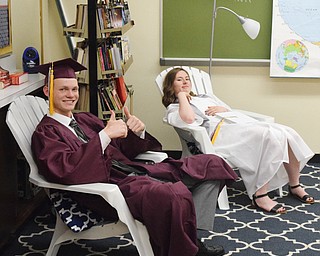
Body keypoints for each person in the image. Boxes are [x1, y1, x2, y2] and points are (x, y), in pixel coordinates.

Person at [31, 58, 238, 256]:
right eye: (63, 89)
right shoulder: (46, 133)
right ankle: (187, 249)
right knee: (171, 195)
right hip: (110, 188)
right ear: (48, 91)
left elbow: (120, 149)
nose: (71, 95)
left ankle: (189, 237)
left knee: (213, 164)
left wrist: (136, 132)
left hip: (134, 170)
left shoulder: (84, 119)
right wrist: (104, 136)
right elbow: (67, 170)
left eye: (74, 89)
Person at [162, 67, 315, 215]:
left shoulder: (205, 97)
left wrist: (223, 110)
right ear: (171, 84)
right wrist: (182, 96)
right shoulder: (174, 108)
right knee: (269, 135)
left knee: (288, 132)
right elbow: (188, 119)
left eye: (187, 78)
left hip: (237, 124)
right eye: (179, 79)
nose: (185, 82)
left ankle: (294, 185)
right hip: (221, 136)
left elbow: (229, 109)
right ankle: (260, 195)